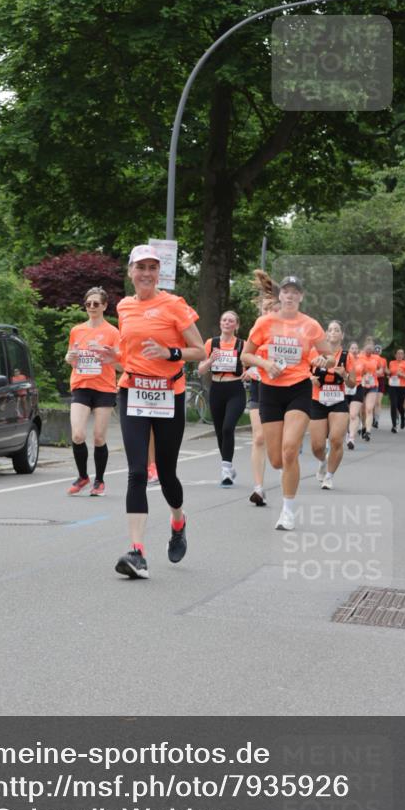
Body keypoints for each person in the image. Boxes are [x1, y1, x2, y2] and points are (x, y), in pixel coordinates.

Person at [112, 245, 205, 578]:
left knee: (167, 475)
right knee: (137, 471)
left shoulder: (174, 305)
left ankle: (178, 520)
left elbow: (199, 350)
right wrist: (114, 360)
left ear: (159, 273)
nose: (146, 273)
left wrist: (170, 353)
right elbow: (128, 353)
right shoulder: (124, 307)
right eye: (141, 267)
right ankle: (137, 552)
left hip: (168, 394)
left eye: (152, 267)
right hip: (133, 391)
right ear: (131, 272)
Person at [242, 275, 334, 531]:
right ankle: (289, 473)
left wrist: (324, 361)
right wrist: (265, 363)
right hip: (270, 391)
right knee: (276, 460)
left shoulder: (310, 325)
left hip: (298, 389)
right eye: (286, 291)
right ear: (280, 296)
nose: (290, 296)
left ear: (301, 297)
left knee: (290, 449)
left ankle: (288, 511)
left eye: (295, 292)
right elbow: (246, 355)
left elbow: (330, 357)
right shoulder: (265, 322)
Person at [64, 286, 120, 496]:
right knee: (78, 434)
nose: (92, 307)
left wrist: (109, 358)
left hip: (104, 388)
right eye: (88, 303)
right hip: (81, 385)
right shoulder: (77, 330)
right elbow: (72, 358)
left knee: (98, 437)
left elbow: (122, 365)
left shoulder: (113, 332)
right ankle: (83, 477)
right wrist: (69, 358)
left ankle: (99, 481)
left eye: (96, 303)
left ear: (104, 306)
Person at [244, 270, 281, 505]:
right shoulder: (257, 329)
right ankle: (258, 488)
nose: (267, 312)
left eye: (271, 308)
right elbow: (246, 356)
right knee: (258, 437)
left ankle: (287, 472)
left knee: (280, 444)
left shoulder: (290, 329)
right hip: (259, 385)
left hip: (284, 388)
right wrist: (252, 367)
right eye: (264, 308)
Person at [198, 309, 246, 487]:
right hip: (217, 389)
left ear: (236, 325)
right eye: (224, 320)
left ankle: (225, 470)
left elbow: (251, 364)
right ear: (220, 323)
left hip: (235, 389)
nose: (227, 323)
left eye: (231, 321)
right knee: (220, 432)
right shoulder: (211, 343)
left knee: (227, 428)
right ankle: (229, 465)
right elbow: (201, 370)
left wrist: (249, 372)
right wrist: (210, 360)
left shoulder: (242, 344)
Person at [309, 321, 356, 490]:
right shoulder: (315, 352)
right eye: (330, 330)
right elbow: (302, 372)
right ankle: (323, 461)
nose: (333, 332)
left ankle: (329, 476)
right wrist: (310, 378)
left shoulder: (347, 356)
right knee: (317, 446)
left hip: (338, 400)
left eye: (337, 330)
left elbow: (352, 384)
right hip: (317, 400)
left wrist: (345, 375)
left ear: (342, 335)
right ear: (326, 334)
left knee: (336, 440)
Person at [355, 337, 380, 441]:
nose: (369, 349)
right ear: (364, 347)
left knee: (369, 409)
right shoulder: (358, 357)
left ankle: (368, 432)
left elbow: (381, 369)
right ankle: (363, 426)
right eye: (367, 347)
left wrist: (377, 373)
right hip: (361, 385)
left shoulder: (376, 358)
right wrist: (363, 373)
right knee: (362, 410)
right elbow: (355, 370)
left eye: (371, 347)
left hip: (373, 385)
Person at [386, 349, 405, 433]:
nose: (399, 355)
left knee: (400, 405)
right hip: (392, 386)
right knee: (393, 405)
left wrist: (401, 375)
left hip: (402, 387)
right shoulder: (391, 363)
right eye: (398, 353)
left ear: (404, 355)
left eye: (401, 354)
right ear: (395, 355)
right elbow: (390, 373)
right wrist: (389, 375)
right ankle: (394, 425)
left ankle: (403, 416)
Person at [345, 341, 362, 450]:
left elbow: (369, 372)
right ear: (348, 350)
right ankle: (348, 432)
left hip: (358, 387)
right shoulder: (344, 359)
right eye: (352, 348)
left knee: (353, 415)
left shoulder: (362, 360)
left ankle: (351, 438)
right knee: (346, 415)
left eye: (356, 348)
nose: (354, 350)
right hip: (345, 388)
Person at [372, 344, 387, 428]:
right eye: (376, 350)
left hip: (380, 380)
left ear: (381, 351)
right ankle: (372, 417)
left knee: (378, 402)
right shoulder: (370, 358)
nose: (377, 351)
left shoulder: (383, 360)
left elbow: (386, 370)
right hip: (372, 380)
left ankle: (376, 420)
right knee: (373, 402)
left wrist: (391, 373)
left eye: (379, 350)